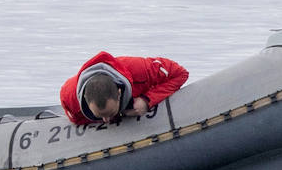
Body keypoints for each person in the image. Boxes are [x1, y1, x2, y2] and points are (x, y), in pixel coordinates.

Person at [59, 52, 189, 126]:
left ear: (119, 94)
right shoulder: (69, 98)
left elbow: (180, 74)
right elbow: (76, 120)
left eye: (110, 113)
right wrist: (119, 115)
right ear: (86, 102)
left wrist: (147, 100)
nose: (106, 121)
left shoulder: (140, 70)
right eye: (100, 116)